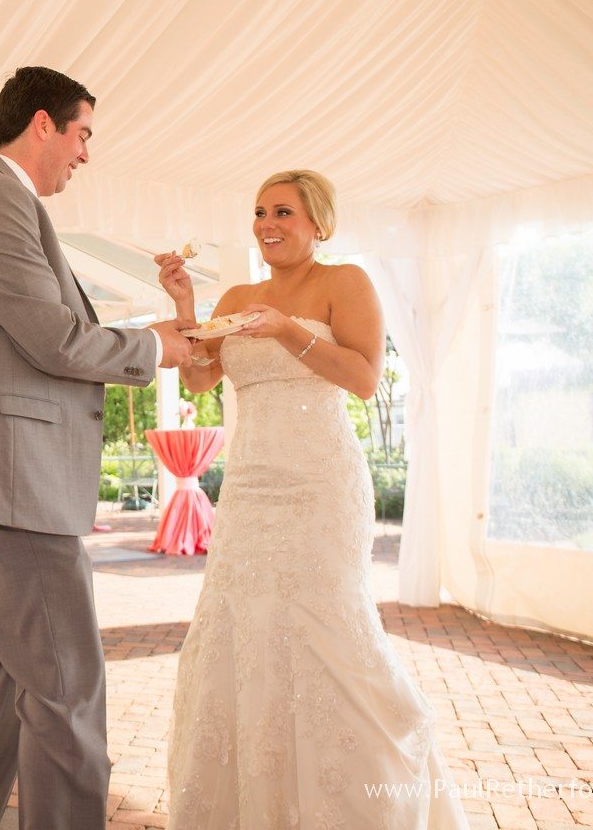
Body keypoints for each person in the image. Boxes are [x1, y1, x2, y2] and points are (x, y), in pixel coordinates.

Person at [0, 66, 196, 830]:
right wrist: (156, 346)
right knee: (67, 692)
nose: (85, 154)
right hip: (14, 488)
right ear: (42, 124)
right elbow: (55, 340)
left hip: (0, 484)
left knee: (0, 688)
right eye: (82, 135)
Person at [158, 170, 469, 828]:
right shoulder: (239, 293)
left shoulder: (345, 283)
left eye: (284, 212)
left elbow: (362, 378)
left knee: (326, 626)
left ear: (318, 224)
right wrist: (185, 306)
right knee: (245, 627)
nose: (267, 223)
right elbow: (200, 376)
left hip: (320, 483)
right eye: (260, 211)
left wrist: (286, 332)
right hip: (249, 486)